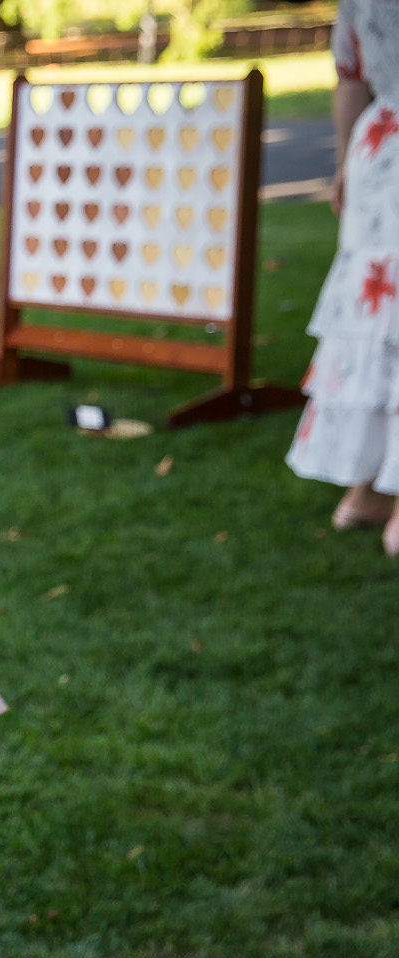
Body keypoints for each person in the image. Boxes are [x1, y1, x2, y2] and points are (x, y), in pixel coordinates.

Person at [287, 0, 399, 553]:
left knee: (374, 320)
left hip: (380, 148)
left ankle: (366, 489)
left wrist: (343, 164)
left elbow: (350, 78)